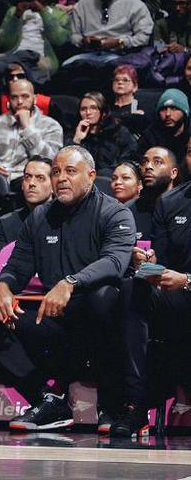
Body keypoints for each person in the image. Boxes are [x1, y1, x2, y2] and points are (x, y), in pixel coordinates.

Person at [0, 146, 136, 433]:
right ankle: (47, 398)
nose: (61, 178)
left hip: (95, 319)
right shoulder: (40, 217)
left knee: (103, 296)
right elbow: (17, 265)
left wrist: (71, 282)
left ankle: (112, 403)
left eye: (70, 171)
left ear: (91, 176)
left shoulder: (114, 213)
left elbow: (115, 262)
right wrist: (3, 286)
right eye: (56, 172)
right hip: (53, 316)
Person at [109, 169, 191, 438]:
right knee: (132, 288)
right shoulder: (170, 202)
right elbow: (162, 265)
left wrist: (187, 280)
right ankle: (136, 404)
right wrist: (147, 265)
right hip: (178, 296)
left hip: (185, 285)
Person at [0, 0, 70, 91]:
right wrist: (16, 17)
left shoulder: (58, 14)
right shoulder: (14, 11)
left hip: (40, 57)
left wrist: (43, 12)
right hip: (14, 53)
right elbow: (3, 42)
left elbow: (59, 40)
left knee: (37, 67)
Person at [65, 0, 153, 69]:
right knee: (66, 67)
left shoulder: (135, 5)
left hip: (120, 57)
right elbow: (73, 35)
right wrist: (83, 41)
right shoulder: (83, 4)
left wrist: (120, 42)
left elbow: (143, 37)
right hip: (87, 56)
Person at [0, 79, 63, 182]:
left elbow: (50, 161)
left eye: (25, 96)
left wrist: (27, 128)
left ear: (34, 99)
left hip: (29, 180)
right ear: (9, 100)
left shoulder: (51, 125)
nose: (20, 101)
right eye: (14, 97)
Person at [0, 157, 53, 260]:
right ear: (22, 185)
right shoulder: (5, 224)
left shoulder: (66, 221)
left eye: (40, 178)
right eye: (27, 177)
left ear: (53, 186)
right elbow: (0, 265)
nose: (32, 183)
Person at [72, 92, 139, 175]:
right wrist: (77, 140)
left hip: (113, 177)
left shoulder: (119, 132)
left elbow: (129, 157)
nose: (88, 112)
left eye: (93, 108)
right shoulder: (75, 133)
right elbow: (68, 162)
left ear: (103, 112)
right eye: (83, 109)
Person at [131, 148, 179, 243]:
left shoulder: (185, 206)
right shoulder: (130, 210)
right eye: (144, 162)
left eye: (158, 162)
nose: (148, 166)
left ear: (173, 173)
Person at [138, 89, 190, 166]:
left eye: (174, 108)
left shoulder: (189, 135)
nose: (168, 114)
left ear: (185, 112)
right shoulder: (149, 136)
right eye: (163, 109)